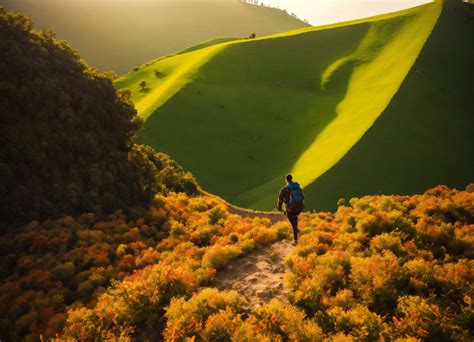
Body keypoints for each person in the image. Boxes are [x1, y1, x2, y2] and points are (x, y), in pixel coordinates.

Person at [277, 174, 305, 246]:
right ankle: (298, 232)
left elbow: (280, 200)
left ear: (286, 180)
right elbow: (303, 196)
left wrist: (279, 208)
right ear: (292, 179)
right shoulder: (298, 187)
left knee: (293, 225)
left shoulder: (284, 189)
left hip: (290, 209)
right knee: (295, 220)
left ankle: (296, 241)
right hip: (298, 208)